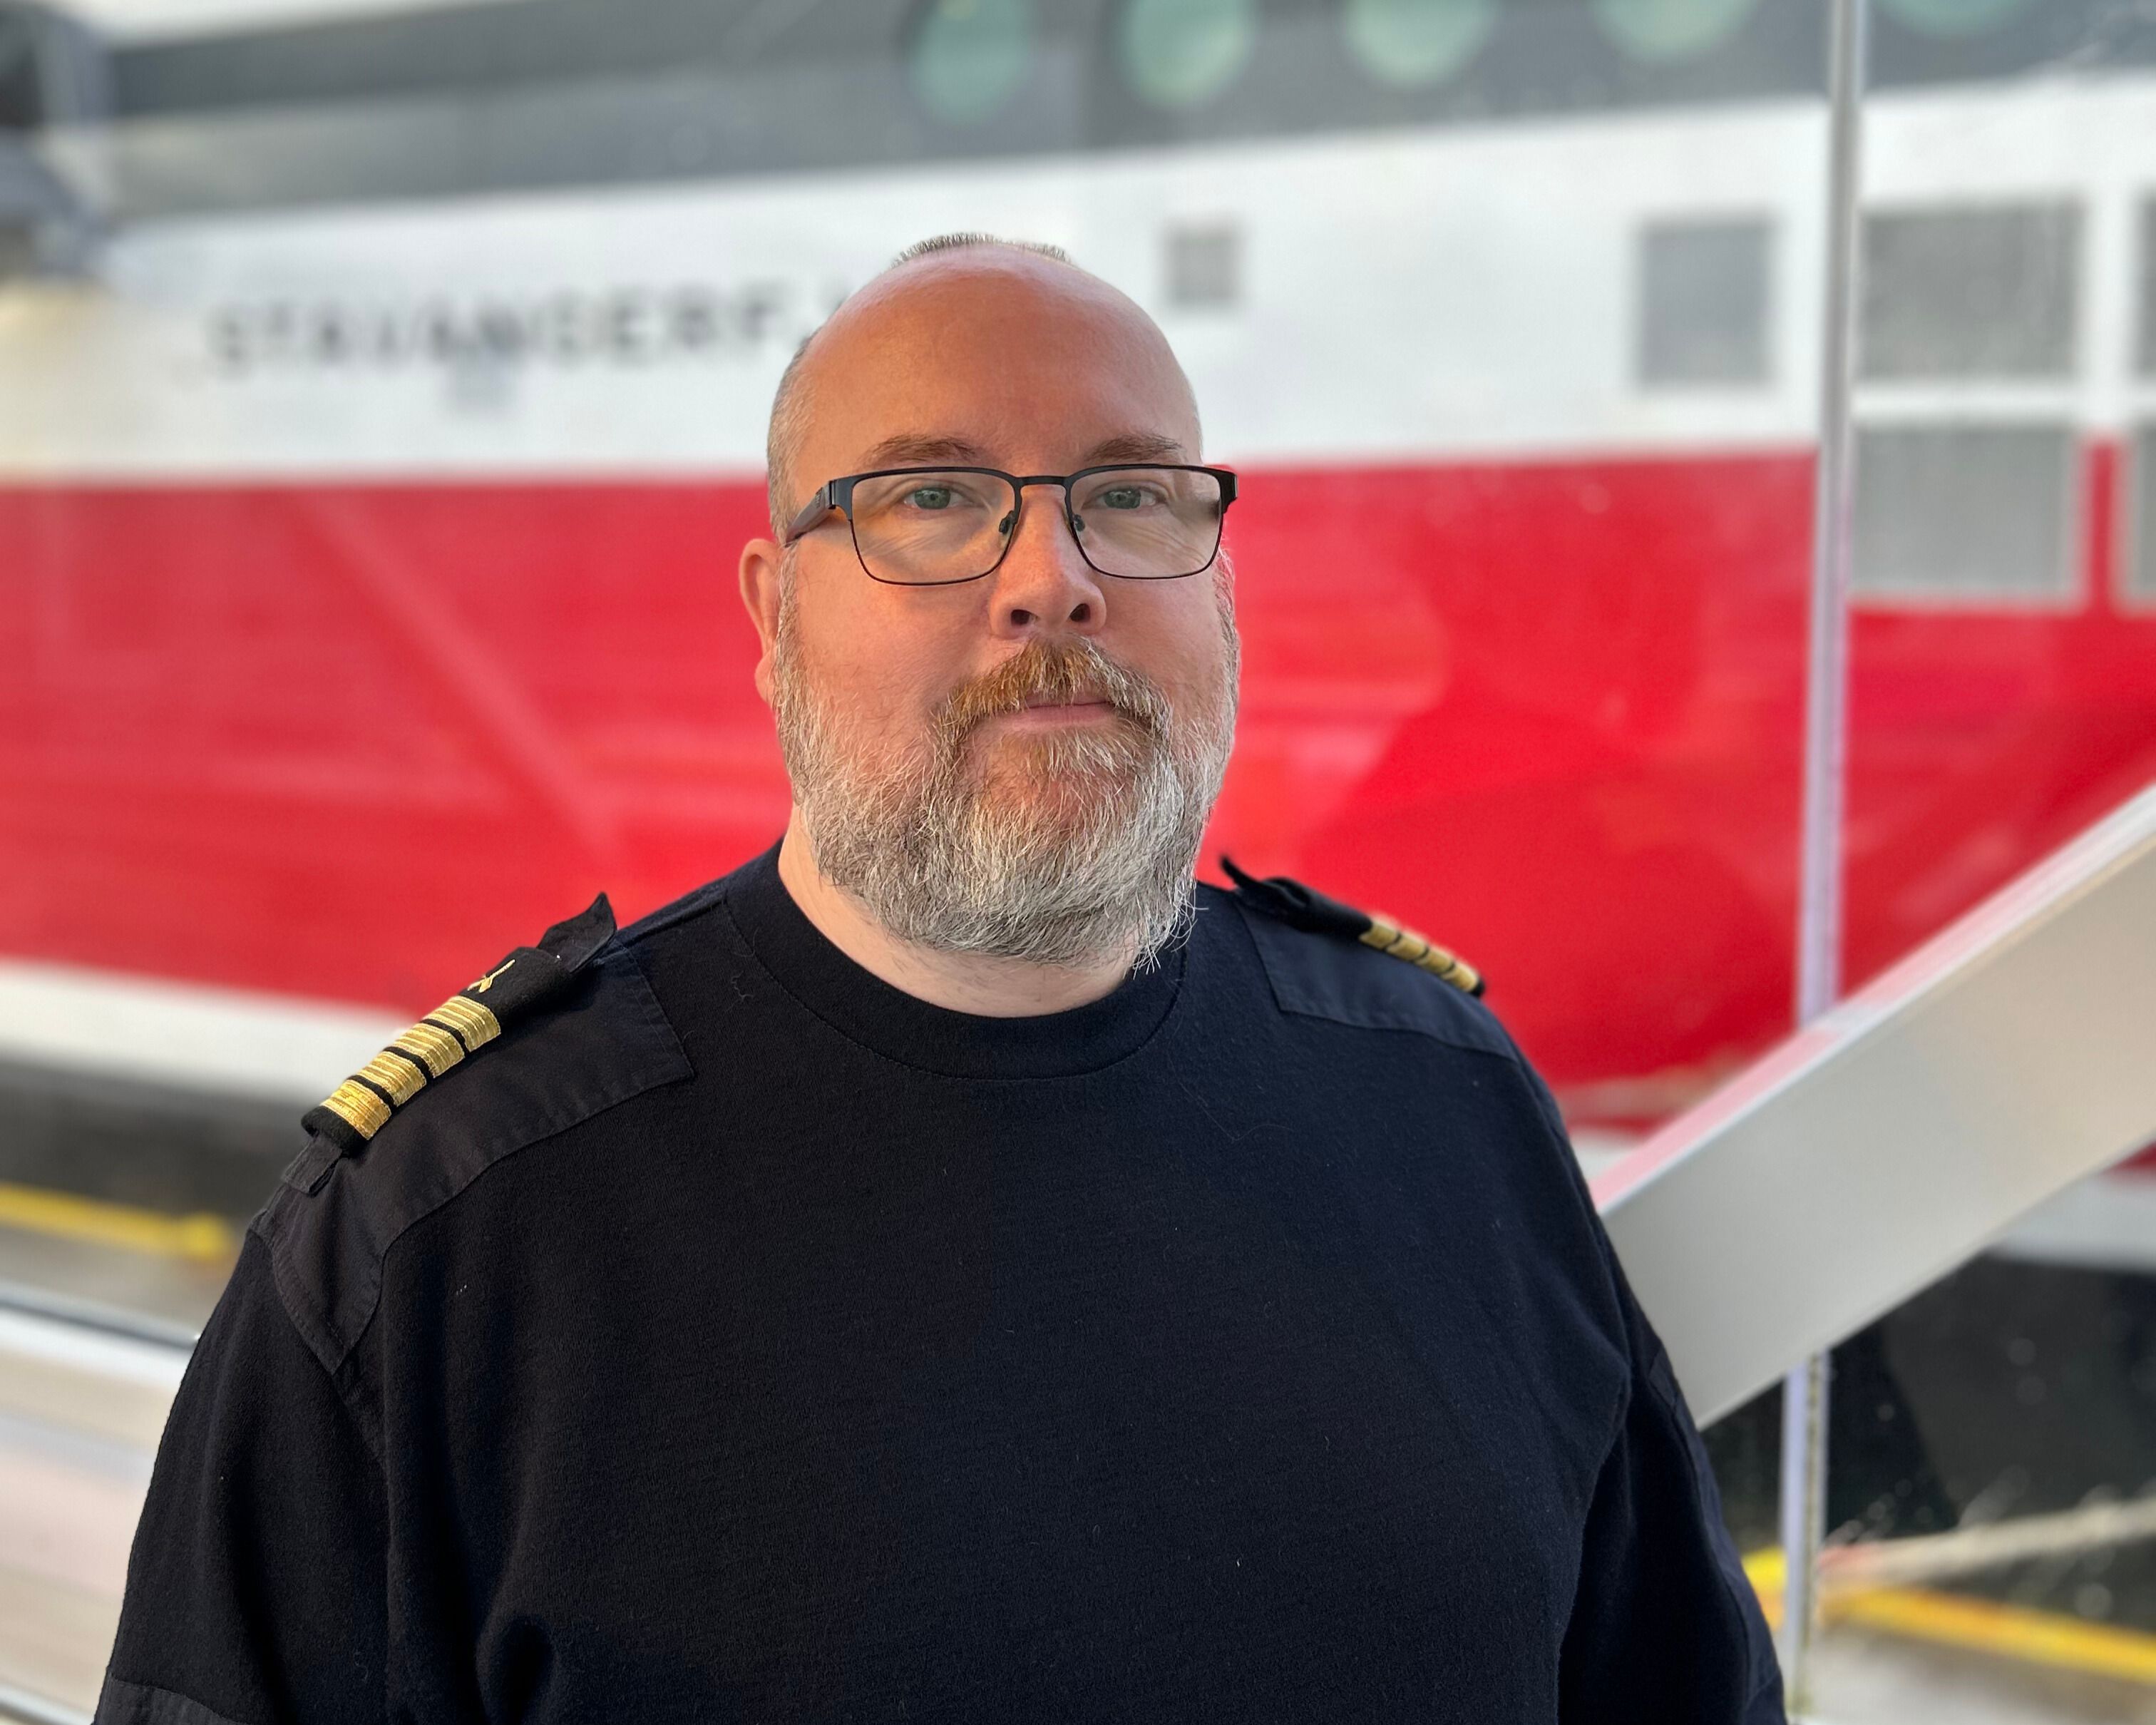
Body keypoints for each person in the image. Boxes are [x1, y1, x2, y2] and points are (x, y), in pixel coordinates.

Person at [98, 235, 1783, 1724]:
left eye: (1130, 492)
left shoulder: (1449, 1103)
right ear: (773, 616)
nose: (1053, 576)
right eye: (931, 499)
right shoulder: (446, 1240)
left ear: (1218, 574)